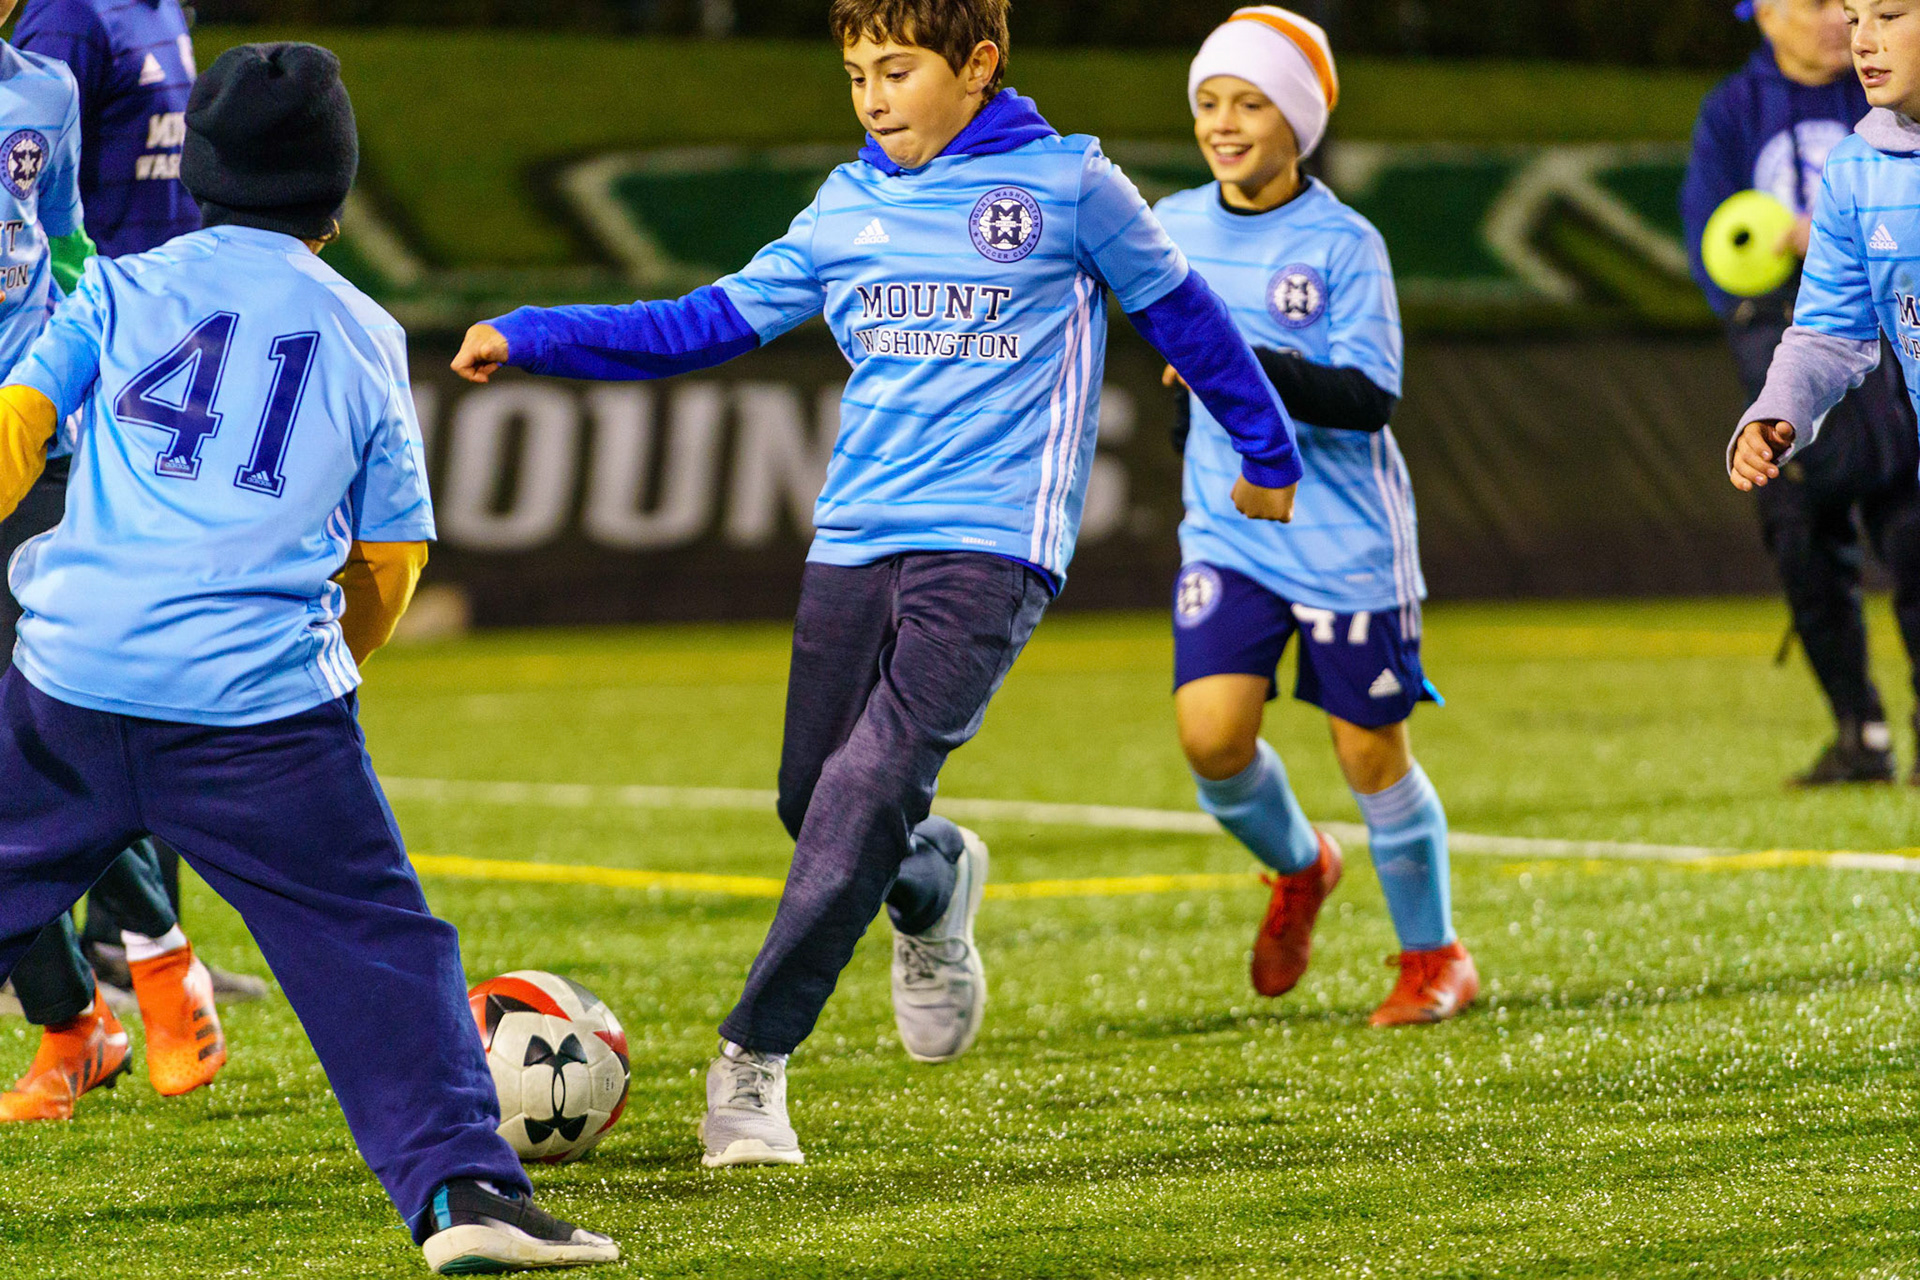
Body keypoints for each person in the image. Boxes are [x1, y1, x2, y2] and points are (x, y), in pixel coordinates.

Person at [452, 0, 1302, 1167]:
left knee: (867, 783)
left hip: (996, 547)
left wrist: (1267, 450)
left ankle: (751, 1065)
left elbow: (1186, 317)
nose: (872, 94)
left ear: (978, 66)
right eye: (855, 71)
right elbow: (704, 322)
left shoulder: (1070, 188)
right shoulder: (845, 208)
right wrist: (539, 333)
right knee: (817, 805)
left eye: (896, 69)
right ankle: (931, 880)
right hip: (853, 539)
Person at [0, 42, 615, 1273]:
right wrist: (348, 656)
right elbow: (392, 554)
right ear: (337, 194)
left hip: (69, 680)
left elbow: (17, 428)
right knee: (378, 945)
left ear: (204, 177)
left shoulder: (120, 289)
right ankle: (462, 1197)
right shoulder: (365, 330)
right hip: (260, 714)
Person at [1156, 7, 1475, 1026]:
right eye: (1210, 102)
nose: (1226, 122)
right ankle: (1304, 864)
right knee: (1210, 737)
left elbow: (1369, 396)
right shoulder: (1168, 224)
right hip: (1228, 526)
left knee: (1369, 753)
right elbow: (1175, 378)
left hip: (1344, 539)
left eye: (1251, 103)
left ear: (1298, 120)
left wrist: (1238, 369)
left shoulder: (1345, 243)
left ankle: (1435, 956)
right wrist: (1192, 416)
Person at [4, 0, 270, 1007]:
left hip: (80, 404)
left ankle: (131, 950)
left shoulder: (64, 73)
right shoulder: (76, 22)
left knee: (77, 685)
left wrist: (97, 342)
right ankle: (100, 972)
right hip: (89, 382)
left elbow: (62, 233)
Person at [1686, 0, 1920, 785]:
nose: (1860, 36)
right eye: (1853, 14)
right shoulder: (1858, 169)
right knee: (1807, 542)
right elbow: (1827, 330)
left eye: (1888, 13)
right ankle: (1863, 731)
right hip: (1820, 392)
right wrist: (1777, 410)